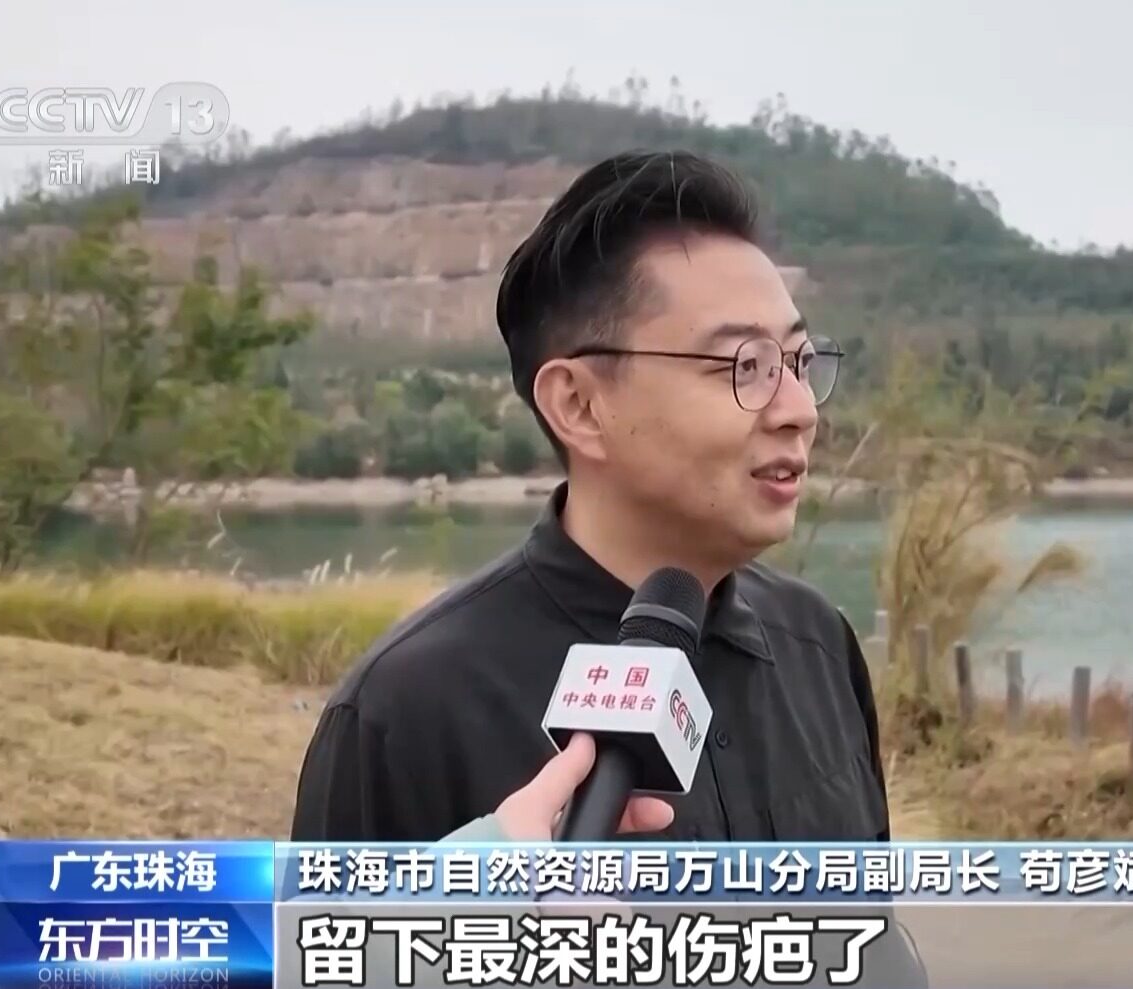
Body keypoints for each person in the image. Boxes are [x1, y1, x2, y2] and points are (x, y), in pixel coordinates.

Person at [291, 149, 892, 850]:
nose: (800, 411)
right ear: (578, 405)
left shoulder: (817, 644)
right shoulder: (405, 713)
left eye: (798, 362)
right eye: (746, 365)